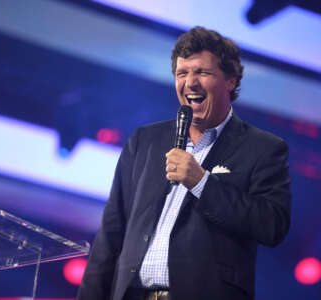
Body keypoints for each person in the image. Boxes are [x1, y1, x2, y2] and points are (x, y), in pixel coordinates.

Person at [77, 26, 291, 300]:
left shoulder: (262, 149)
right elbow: (110, 235)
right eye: (182, 73)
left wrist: (201, 183)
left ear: (230, 81)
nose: (190, 82)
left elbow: (272, 225)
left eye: (202, 72)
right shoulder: (145, 141)